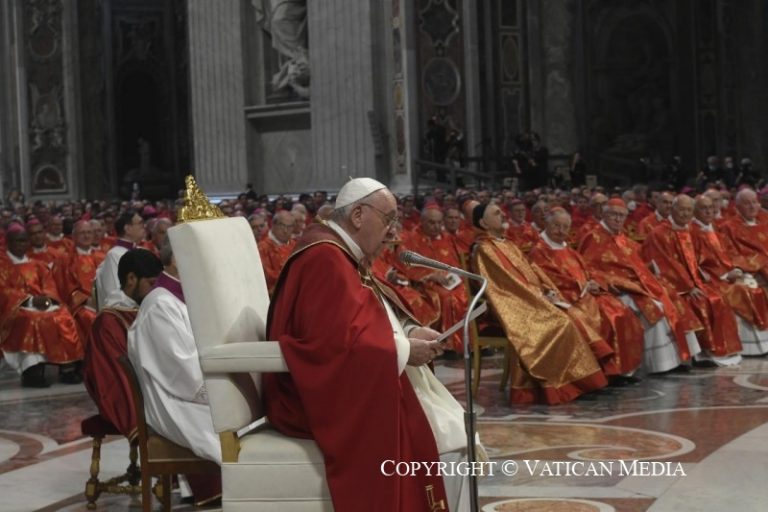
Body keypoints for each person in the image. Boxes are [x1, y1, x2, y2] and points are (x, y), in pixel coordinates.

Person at [263, 178, 474, 511]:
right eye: (388, 219)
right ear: (358, 215)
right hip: (316, 399)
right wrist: (405, 350)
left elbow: (365, 317)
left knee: (457, 428)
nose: (393, 232)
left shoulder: (341, 252)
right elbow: (329, 344)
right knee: (454, 442)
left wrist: (408, 330)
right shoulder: (324, 257)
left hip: (362, 376)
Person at [471, 202, 608, 404]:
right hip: (513, 306)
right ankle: (562, 385)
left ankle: (579, 381)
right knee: (562, 323)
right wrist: (539, 296)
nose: (503, 215)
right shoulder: (484, 249)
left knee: (571, 315)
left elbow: (532, 269)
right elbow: (505, 285)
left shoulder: (507, 244)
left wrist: (547, 289)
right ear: (483, 223)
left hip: (531, 299)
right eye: (496, 213)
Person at [127, 240, 221, 505]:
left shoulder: (181, 298)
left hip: (185, 392)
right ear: (177, 260)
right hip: (175, 401)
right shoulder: (160, 305)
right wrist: (224, 389)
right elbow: (183, 372)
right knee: (242, 421)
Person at [578, 199, 701, 373]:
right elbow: (587, 268)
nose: (618, 219)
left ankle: (680, 358)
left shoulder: (621, 237)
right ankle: (660, 364)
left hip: (637, 284)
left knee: (670, 296)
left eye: (621, 216)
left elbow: (636, 261)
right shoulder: (593, 237)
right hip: (616, 290)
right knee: (655, 306)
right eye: (613, 215)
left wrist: (647, 269)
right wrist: (614, 282)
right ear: (604, 214)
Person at [529, 208, 644, 380]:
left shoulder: (568, 248)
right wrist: (582, 286)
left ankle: (620, 370)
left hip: (585, 294)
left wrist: (594, 282)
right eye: (556, 226)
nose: (561, 231)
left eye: (565, 227)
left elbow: (587, 270)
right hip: (565, 298)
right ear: (547, 224)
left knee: (621, 312)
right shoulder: (539, 250)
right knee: (603, 318)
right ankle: (600, 374)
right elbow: (548, 278)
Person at [641, 195, 741, 366]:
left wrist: (707, 277)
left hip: (695, 282)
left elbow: (704, 258)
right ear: (672, 210)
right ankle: (699, 354)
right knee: (701, 301)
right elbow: (666, 264)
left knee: (718, 298)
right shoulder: (659, 233)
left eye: (689, 210)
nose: (685, 214)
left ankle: (716, 349)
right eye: (681, 209)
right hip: (671, 285)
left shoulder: (692, 232)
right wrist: (688, 286)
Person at [83, 249, 163, 439]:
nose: (155, 291)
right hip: (129, 398)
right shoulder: (108, 322)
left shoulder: (147, 306)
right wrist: (136, 417)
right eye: (151, 284)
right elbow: (114, 374)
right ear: (131, 279)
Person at [0, 224, 83, 387]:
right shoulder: (3, 265)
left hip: (41, 304)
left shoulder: (37, 264)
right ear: (8, 243)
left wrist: (48, 299)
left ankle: (67, 367)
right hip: (14, 309)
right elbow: (3, 291)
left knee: (63, 316)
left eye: (24, 241)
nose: (21, 245)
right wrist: (30, 300)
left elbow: (49, 285)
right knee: (33, 319)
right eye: (17, 241)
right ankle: (32, 370)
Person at [692, 195, 768, 355]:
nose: (709, 212)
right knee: (746, 291)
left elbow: (727, 253)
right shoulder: (693, 233)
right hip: (712, 280)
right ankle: (748, 347)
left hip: (729, 274)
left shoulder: (713, 228)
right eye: (704, 208)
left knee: (753, 289)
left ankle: (761, 345)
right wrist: (727, 274)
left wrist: (736, 270)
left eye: (711, 208)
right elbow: (697, 263)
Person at [399, 205, 468, 356]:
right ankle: (447, 344)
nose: (436, 226)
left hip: (450, 282)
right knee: (448, 298)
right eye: (432, 222)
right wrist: (431, 275)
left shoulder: (447, 238)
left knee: (464, 295)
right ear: (422, 221)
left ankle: (466, 343)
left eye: (439, 222)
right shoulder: (411, 239)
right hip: (425, 285)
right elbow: (407, 267)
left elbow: (456, 263)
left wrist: (452, 275)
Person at [94, 210, 146, 310]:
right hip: (126, 311)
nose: (144, 226)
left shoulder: (142, 251)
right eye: (140, 223)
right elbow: (115, 294)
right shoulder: (115, 254)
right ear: (127, 229)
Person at [257, 210, 296, 294]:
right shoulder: (263, 247)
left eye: (290, 227)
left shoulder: (295, 245)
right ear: (273, 224)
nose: (285, 230)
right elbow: (267, 275)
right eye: (282, 225)